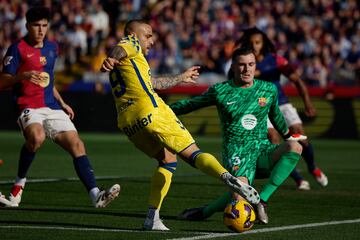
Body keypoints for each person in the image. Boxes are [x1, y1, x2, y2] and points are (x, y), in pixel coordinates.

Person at [100, 19, 260, 231]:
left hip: (129, 122)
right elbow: (120, 48)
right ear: (133, 34)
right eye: (147, 35)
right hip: (152, 110)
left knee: (167, 160)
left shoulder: (133, 63)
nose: (152, 40)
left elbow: (154, 83)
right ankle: (230, 179)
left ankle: (152, 218)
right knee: (192, 153)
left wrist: (181, 77)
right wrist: (111, 57)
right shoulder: (130, 43)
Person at [0, 7, 120, 208]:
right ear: (27, 26)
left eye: (44, 25)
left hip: (52, 106)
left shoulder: (52, 48)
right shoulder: (17, 48)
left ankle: (95, 195)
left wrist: (62, 103)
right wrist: (22, 76)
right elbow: (3, 82)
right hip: (28, 105)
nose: (41, 30)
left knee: (77, 144)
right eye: (36, 25)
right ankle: (16, 191)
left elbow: (48, 80)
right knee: (36, 138)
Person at [171, 46, 304, 224]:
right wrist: (161, 110)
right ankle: (205, 211)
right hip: (236, 153)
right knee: (239, 203)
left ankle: (262, 200)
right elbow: (190, 105)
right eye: (241, 65)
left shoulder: (268, 89)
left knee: (295, 147)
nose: (247, 69)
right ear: (233, 66)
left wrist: (288, 136)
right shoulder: (220, 91)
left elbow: (276, 116)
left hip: (262, 150)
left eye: (251, 64)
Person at [238, 27, 328, 190]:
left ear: (263, 43)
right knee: (274, 141)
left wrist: (307, 103)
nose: (254, 45)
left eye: (257, 42)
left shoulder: (275, 60)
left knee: (301, 138)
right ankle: (299, 179)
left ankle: (313, 168)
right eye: (251, 43)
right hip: (262, 108)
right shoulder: (244, 63)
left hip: (283, 104)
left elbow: (297, 81)